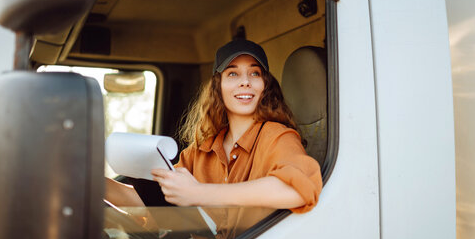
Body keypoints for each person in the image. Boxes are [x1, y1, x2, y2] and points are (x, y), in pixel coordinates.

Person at [106, 39, 322, 213]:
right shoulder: (200, 151)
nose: (245, 81)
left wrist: (200, 193)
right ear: (218, 88)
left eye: (255, 73)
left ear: (265, 85)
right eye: (233, 73)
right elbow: (150, 203)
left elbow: (298, 189)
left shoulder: (278, 137)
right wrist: (89, 180)